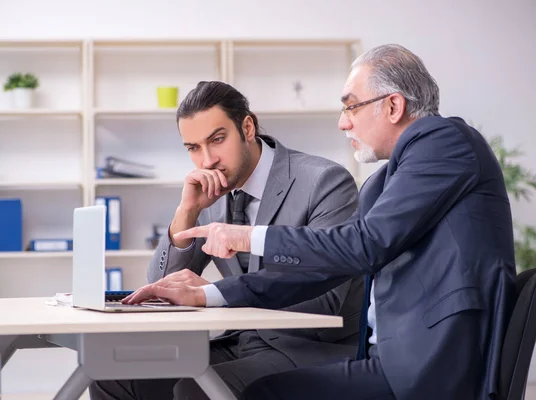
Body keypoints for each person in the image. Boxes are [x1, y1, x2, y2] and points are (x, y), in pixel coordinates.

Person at [125, 44, 517, 400]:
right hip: (393, 358)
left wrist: (246, 237)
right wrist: (208, 295)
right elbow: (327, 267)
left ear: (394, 106)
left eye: (351, 106)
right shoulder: (384, 180)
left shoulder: (443, 140)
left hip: (432, 366)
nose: (343, 123)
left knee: (255, 393)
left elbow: (363, 244)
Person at [90, 81, 365, 400]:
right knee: (113, 379)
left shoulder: (324, 182)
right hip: (240, 342)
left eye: (217, 140)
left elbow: (325, 299)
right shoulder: (211, 195)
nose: (207, 161)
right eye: (193, 148)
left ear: (247, 127)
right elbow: (163, 284)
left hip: (311, 349)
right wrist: (187, 211)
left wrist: (210, 294)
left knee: (195, 390)